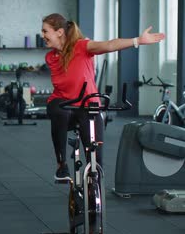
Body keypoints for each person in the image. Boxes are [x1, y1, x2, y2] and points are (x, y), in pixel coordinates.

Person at [42, 13, 165, 180]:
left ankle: (94, 188)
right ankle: (61, 165)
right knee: (59, 110)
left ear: (59, 32)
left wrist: (137, 41)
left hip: (87, 106)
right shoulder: (50, 57)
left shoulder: (82, 46)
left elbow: (109, 45)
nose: (43, 36)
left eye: (45, 31)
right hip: (64, 106)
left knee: (96, 160)